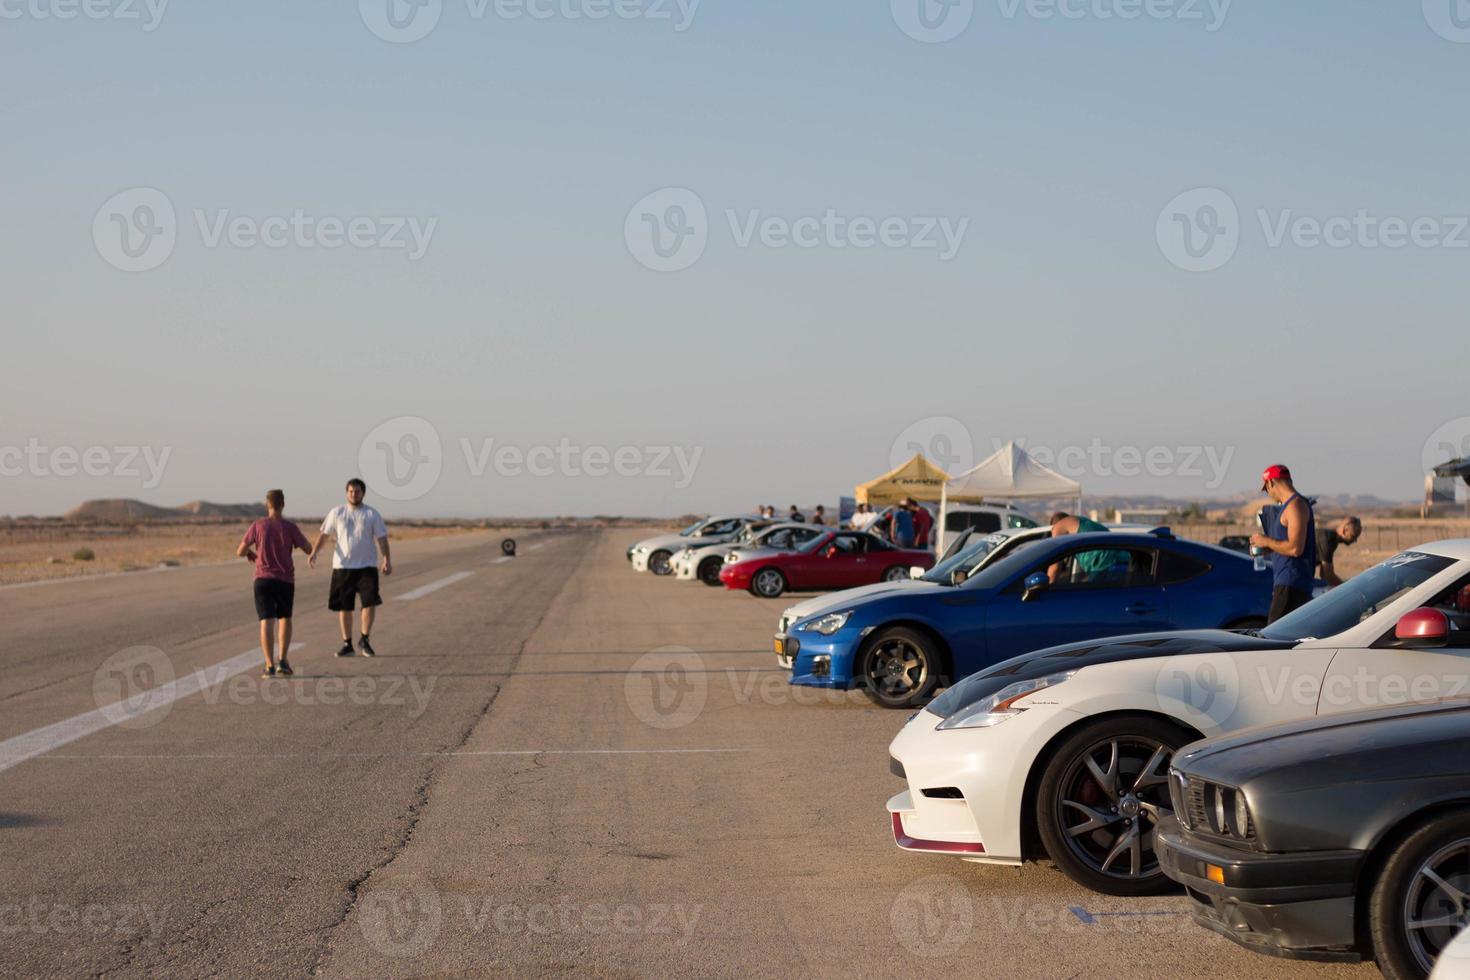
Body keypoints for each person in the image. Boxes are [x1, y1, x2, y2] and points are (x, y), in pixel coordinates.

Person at [310, 478, 392, 657]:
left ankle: (365, 638)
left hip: (367, 567)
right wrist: (314, 552)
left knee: (369, 603)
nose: (354, 494)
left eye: (357, 491)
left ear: (363, 493)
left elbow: (382, 538)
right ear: (346, 493)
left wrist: (387, 559)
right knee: (345, 607)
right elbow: (324, 534)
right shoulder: (337, 512)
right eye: (350, 491)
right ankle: (347, 644)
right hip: (343, 567)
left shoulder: (372, 514)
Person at [237, 489, 312, 678]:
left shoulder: (257, 526)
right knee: (285, 618)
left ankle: (269, 665)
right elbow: (308, 548)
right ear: (283, 504)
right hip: (285, 580)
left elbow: (240, 551)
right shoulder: (290, 527)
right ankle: (283, 661)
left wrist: (251, 553)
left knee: (266, 621)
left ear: (267, 505)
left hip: (262, 579)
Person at [1249, 464, 1317, 623]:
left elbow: (1295, 548)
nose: (1269, 494)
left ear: (1270, 483)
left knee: (1273, 639)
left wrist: (1266, 540)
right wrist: (1266, 549)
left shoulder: (1295, 505)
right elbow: (1288, 545)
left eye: (1266, 489)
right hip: (1287, 583)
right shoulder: (1290, 506)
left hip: (1292, 585)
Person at [1047, 511, 1116, 583]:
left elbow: (1055, 567)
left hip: (1102, 564)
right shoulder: (1081, 522)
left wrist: (1046, 588)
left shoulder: (1058, 527)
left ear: (1053, 526)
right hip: (1121, 558)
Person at [1316, 515, 1362, 588]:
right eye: (1353, 536)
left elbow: (1324, 574)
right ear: (1344, 530)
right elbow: (1329, 575)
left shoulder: (1333, 541)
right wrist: (1346, 589)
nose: (1355, 540)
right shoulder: (1327, 539)